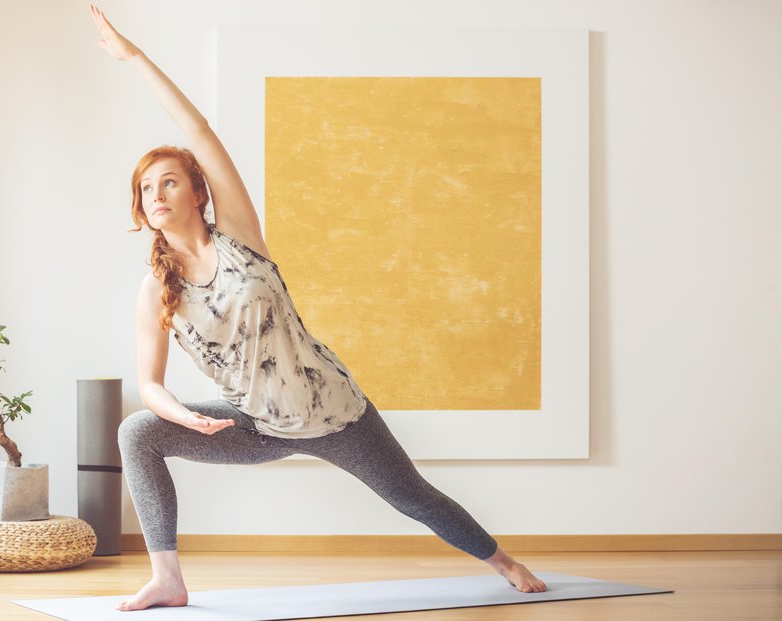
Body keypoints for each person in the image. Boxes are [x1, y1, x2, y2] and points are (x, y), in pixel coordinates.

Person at [88, 4, 547, 612]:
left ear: (199, 193)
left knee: (413, 497)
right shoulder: (155, 289)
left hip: (335, 412)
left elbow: (198, 132)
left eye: (169, 181)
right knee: (138, 431)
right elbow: (149, 383)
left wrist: (136, 58)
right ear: (140, 210)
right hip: (252, 424)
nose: (157, 193)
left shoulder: (240, 239)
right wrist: (184, 415)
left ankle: (502, 559)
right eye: (146, 189)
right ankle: (167, 577)